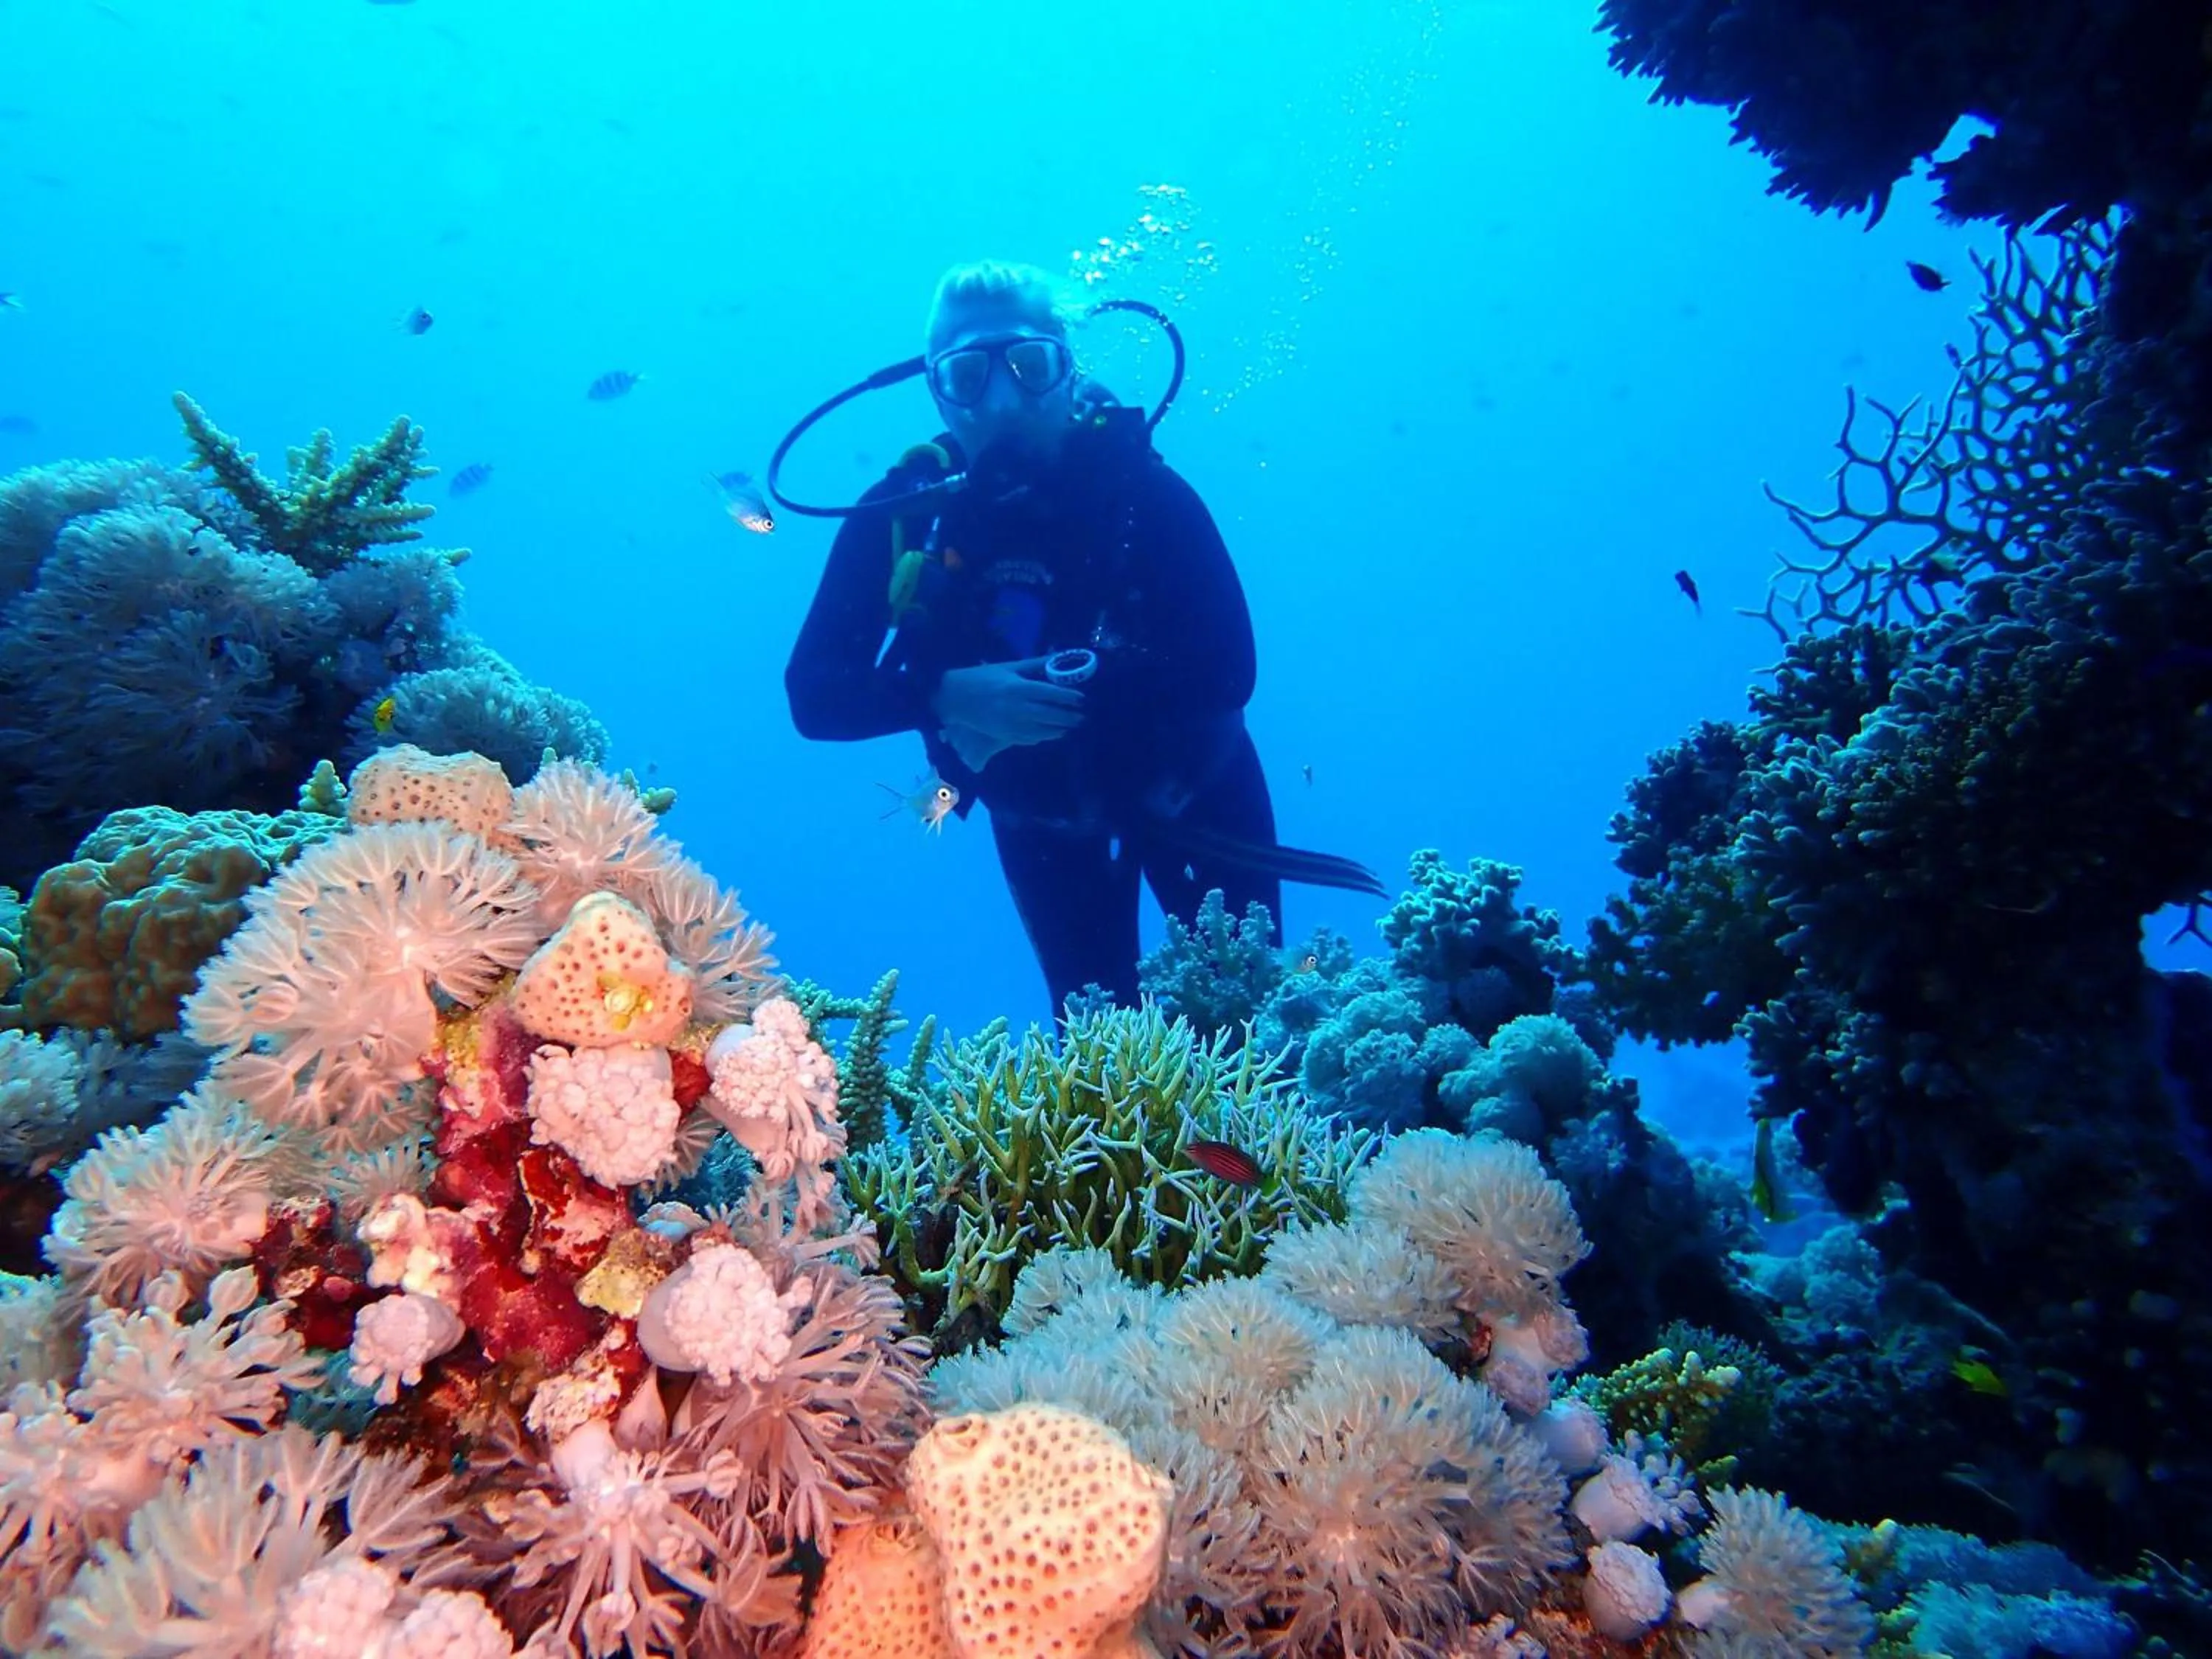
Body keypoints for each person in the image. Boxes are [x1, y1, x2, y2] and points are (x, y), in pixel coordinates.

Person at [787, 260, 1377, 1012]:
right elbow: (813, 696)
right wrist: (943, 692)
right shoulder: (907, 516)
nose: (1001, 402)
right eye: (969, 375)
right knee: (1104, 1061)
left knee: (1258, 1025)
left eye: (1029, 365)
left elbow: (1230, 670)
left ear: (1068, 372)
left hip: (1198, 795)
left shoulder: (1140, 488)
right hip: (1045, 826)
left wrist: (1040, 697)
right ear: (936, 388)